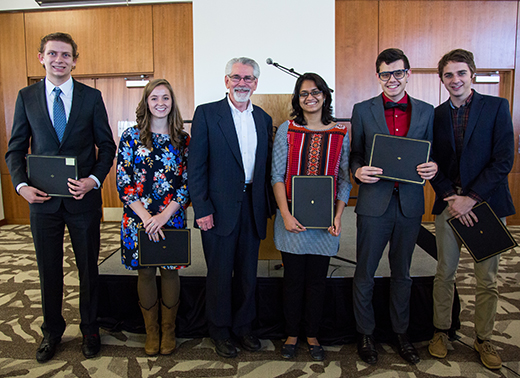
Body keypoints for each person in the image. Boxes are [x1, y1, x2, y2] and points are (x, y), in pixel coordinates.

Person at [5, 32, 116, 362]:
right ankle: (51, 331)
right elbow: (15, 149)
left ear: (74, 60)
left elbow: (107, 146)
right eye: (52, 53)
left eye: (66, 55)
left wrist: (94, 180)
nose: (59, 59)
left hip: (83, 201)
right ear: (41, 57)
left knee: (88, 269)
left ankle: (90, 328)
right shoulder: (27, 97)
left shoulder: (91, 97)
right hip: (42, 203)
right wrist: (21, 186)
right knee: (48, 269)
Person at [428, 49, 515, 370]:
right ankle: (441, 332)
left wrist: (472, 197)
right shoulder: (435, 115)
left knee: (486, 279)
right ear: (442, 79)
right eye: (449, 75)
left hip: (488, 205)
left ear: (472, 74)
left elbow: (504, 159)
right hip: (449, 204)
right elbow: (431, 162)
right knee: (444, 273)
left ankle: (484, 338)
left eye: (461, 73)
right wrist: (453, 196)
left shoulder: (496, 107)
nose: (455, 80)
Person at [350, 48, 438, 365]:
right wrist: (357, 171)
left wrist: (434, 167)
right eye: (386, 74)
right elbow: (355, 154)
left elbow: (433, 153)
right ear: (378, 76)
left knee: (403, 273)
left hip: (410, 203)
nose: (392, 79)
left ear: (408, 73)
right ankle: (365, 334)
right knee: (365, 273)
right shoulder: (362, 110)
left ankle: (401, 333)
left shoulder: (427, 112)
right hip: (374, 203)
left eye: (398, 72)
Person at [188, 57, 273, 358]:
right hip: (217, 210)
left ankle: (243, 327)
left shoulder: (263, 118)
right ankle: (220, 330)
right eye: (236, 77)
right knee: (220, 274)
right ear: (226, 81)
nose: (242, 83)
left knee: (248, 273)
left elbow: (264, 167)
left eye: (248, 78)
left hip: (253, 207)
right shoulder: (207, 114)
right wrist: (201, 208)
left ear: (256, 83)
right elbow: (195, 167)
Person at [271, 73, 351, 361]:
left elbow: (344, 180)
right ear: (298, 98)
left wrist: (339, 215)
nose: (310, 97)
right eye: (304, 93)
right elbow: (277, 176)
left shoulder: (341, 133)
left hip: (325, 223)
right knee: (293, 280)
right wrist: (285, 214)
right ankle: (292, 333)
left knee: (317, 282)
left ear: (325, 96)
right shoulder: (287, 130)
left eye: (316, 92)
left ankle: (312, 334)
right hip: (291, 220)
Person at [116, 79, 189, 356]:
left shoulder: (183, 140)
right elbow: (124, 181)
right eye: (154, 98)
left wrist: (164, 216)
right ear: (146, 102)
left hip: (171, 217)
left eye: (166, 98)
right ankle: (152, 331)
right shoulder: (131, 137)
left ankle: (168, 330)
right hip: (138, 218)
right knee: (145, 271)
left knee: (170, 271)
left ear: (173, 103)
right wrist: (148, 217)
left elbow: (187, 182)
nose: (160, 103)